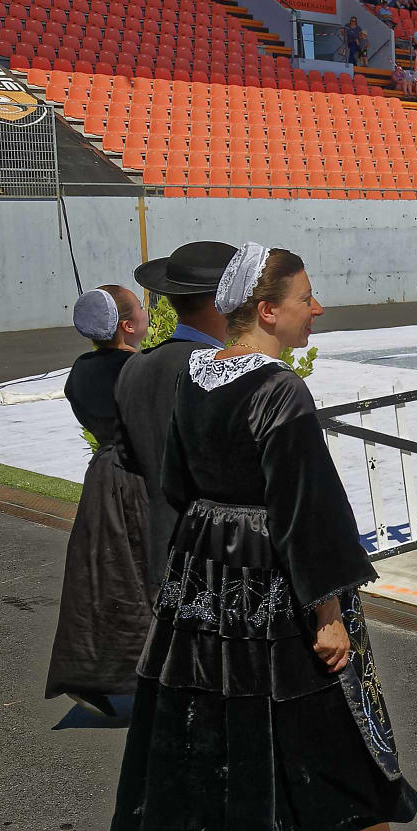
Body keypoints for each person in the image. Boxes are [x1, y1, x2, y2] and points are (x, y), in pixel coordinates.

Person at [110, 245, 417, 831]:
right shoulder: (280, 390)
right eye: (306, 298)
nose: (315, 309)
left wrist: (207, 542)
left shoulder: (196, 377)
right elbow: (307, 509)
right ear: (267, 310)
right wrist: (328, 614)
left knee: (195, 727)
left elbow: (175, 482)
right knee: (335, 718)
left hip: (201, 577)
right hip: (270, 580)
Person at [45, 286, 151, 717]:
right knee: (146, 574)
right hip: (139, 479)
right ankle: (155, 674)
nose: (146, 312)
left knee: (99, 580)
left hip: (101, 479)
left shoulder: (79, 372)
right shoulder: (140, 369)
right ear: (128, 325)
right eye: (141, 308)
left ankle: (93, 673)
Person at [115, 241, 236, 614]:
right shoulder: (219, 371)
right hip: (218, 557)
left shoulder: (134, 367)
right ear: (223, 302)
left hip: (156, 548)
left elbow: (132, 457)